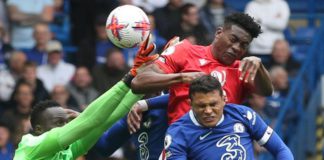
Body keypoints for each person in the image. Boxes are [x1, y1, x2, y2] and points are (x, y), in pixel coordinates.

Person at [13, 37, 157, 159]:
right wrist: (130, 76)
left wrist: (139, 86)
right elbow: (89, 121)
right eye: (58, 122)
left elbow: (105, 122)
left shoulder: (66, 151)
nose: (66, 125)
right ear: (39, 129)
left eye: (64, 122)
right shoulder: (30, 145)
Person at [131, 13, 273, 125]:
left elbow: (266, 91)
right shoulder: (185, 51)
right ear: (218, 33)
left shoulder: (241, 70)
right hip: (183, 144)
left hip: (222, 145)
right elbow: (138, 83)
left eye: (243, 45)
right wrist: (181, 78)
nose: (237, 48)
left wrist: (259, 65)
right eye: (233, 39)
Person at [163, 75, 293, 159]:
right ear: (190, 104)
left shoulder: (243, 115)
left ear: (224, 99)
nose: (208, 111)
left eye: (213, 104)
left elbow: (280, 149)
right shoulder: (178, 133)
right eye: (201, 106)